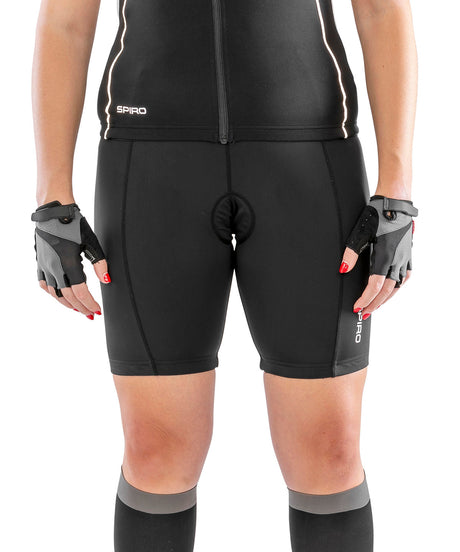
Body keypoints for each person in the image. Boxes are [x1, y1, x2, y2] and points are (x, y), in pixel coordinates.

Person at [31, 1, 418, 551]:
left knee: (329, 450)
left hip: (309, 159)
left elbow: (381, 10)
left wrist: (396, 191)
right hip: (150, 161)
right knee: (156, 452)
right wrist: (52, 202)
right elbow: (65, 20)